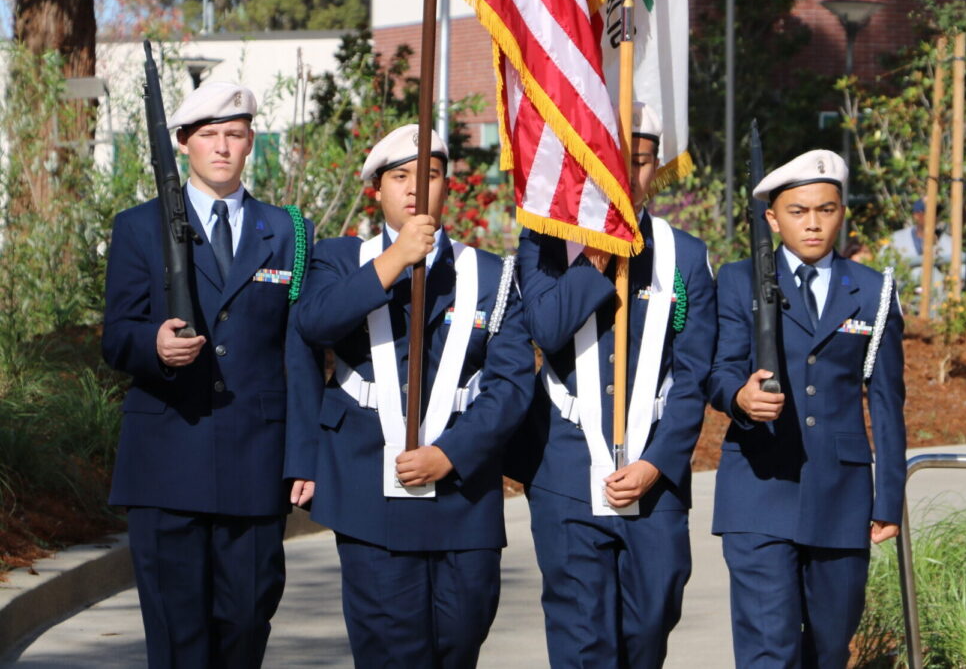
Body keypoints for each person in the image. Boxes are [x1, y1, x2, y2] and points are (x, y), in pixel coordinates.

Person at [287, 124, 535, 668]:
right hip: (368, 492)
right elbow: (315, 324)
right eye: (401, 177)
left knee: (459, 642)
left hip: (462, 496)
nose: (416, 189)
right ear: (377, 189)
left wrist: (450, 454)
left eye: (431, 175)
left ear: (449, 187)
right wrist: (395, 259)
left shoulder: (489, 274)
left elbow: (511, 385)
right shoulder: (339, 259)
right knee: (390, 652)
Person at [103, 81, 320, 668]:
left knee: (246, 624)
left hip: (255, 460)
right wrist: (151, 344)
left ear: (251, 143)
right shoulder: (138, 227)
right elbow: (116, 334)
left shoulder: (288, 231)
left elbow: (298, 351)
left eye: (234, 134)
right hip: (167, 460)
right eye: (208, 136)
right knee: (178, 638)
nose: (222, 147)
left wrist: (303, 453)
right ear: (183, 145)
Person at [509, 102, 717, 668]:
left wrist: (658, 462)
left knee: (651, 619)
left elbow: (693, 372)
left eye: (643, 162)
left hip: (653, 468)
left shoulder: (685, 256)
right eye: (612, 160)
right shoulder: (545, 242)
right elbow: (548, 331)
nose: (629, 176)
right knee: (582, 638)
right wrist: (596, 257)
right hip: (565, 463)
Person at [710, 149, 906, 669]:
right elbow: (718, 371)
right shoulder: (737, 280)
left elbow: (886, 401)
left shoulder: (872, 290)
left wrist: (888, 497)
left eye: (827, 209)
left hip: (841, 494)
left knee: (828, 647)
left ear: (843, 212)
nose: (814, 224)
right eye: (798, 211)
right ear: (772, 218)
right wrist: (739, 397)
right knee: (768, 650)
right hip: (758, 485)